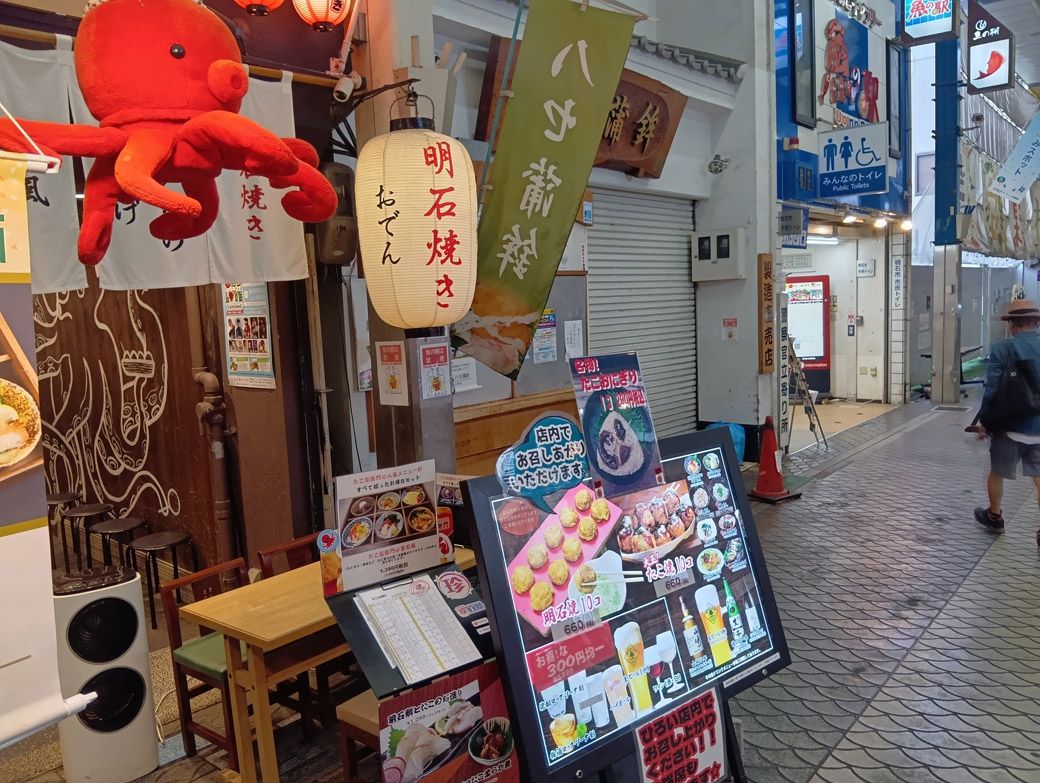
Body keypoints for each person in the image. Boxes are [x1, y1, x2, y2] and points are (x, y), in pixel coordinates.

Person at [975, 299, 1040, 535]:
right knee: (1039, 475)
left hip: (1010, 426)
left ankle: (995, 516)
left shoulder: (1002, 349)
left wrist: (985, 420)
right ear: (1036, 322)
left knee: (998, 471)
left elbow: (992, 388)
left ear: (1012, 325)